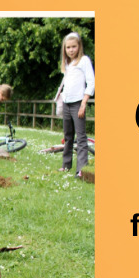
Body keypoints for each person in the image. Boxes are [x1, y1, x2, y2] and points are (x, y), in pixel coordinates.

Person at [55, 31, 94, 177]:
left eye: (73, 47)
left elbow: (91, 83)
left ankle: (81, 169)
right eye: (68, 47)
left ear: (79, 47)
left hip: (78, 103)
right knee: (68, 135)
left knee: (81, 136)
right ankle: (66, 165)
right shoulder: (67, 64)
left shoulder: (84, 61)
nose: (71, 50)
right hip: (67, 102)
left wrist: (84, 103)